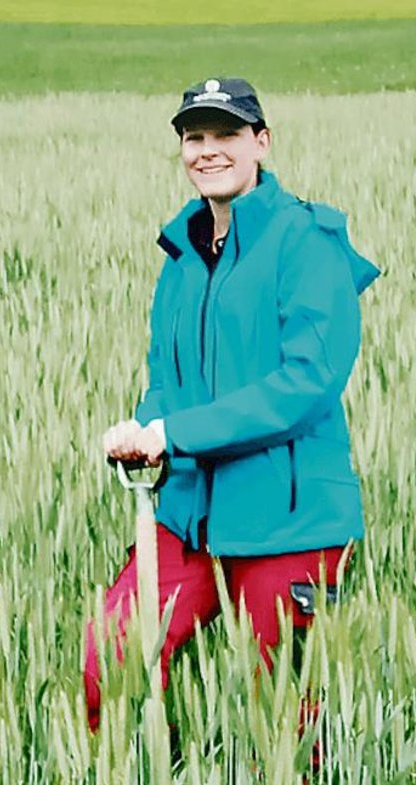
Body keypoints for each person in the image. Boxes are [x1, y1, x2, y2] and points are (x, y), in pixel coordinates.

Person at [87, 76, 380, 737]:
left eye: (226, 134)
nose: (208, 150)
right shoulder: (183, 255)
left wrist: (176, 432)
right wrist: (142, 429)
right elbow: (168, 376)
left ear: (261, 142)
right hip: (189, 514)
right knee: (108, 656)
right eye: (195, 137)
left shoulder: (308, 242)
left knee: (281, 721)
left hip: (289, 522)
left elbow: (305, 384)